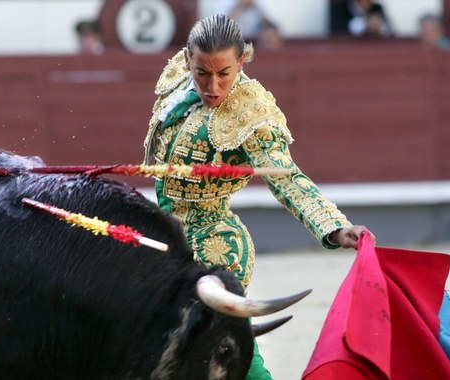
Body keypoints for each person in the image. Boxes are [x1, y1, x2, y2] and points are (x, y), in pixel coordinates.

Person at [143, 14, 374, 379]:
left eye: (224, 73)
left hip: (214, 245)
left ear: (242, 62)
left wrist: (335, 228)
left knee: (221, 345)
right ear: (187, 60)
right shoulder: (178, 83)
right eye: (202, 72)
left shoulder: (251, 114)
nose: (213, 85)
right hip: (164, 237)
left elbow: (289, 180)